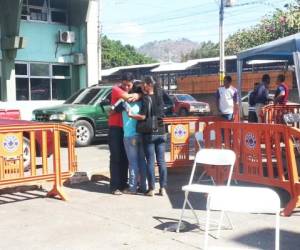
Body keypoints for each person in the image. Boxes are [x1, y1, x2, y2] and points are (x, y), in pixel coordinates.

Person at [129, 76, 167, 196]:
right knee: (161, 161)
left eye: (144, 84)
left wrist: (131, 115)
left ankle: (151, 189)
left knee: (150, 160)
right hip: (161, 130)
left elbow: (143, 116)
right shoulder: (160, 95)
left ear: (149, 84)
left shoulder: (147, 98)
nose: (142, 86)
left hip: (150, 132)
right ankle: (163, 188)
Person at [108, 72, 140, 195]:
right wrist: (138, 94)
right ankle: (114, 186)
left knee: (125, 158)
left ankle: (123, 184)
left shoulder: (132, 90)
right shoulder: (116, 89)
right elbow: (128, 97)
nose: (127, 87)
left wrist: (138, 93)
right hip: (115, 128)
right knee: (116, 157)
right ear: (121, 82)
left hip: (127, 130)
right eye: (125, 84)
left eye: (129, 85)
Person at [122, 82, 147, 195]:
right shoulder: (143, 102)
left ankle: (132, 188)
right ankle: (143, 186)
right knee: (142, 161)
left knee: (132, 162)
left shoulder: (124, 103)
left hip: (129, 136)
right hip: (140, 135)